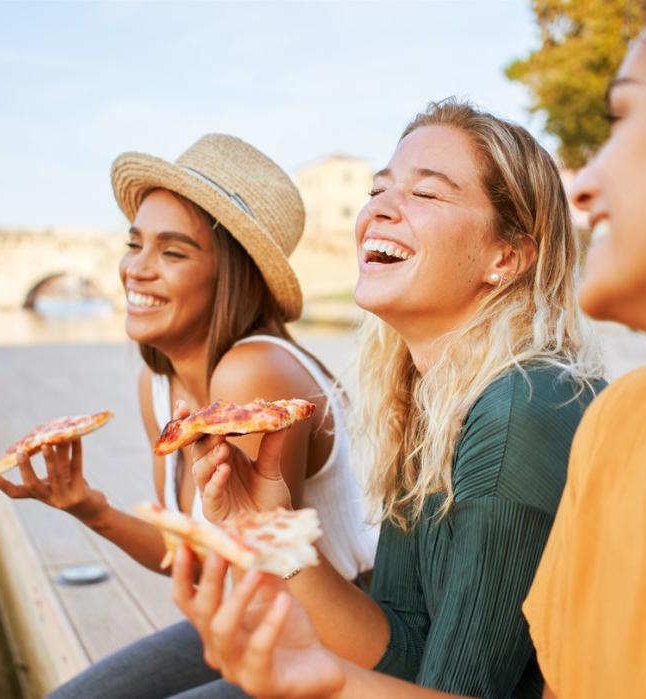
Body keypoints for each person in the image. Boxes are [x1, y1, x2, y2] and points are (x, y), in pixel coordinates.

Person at [188, 2, 646, 698]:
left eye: (621, 118)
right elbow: (417, 642)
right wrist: (284, 569)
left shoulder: (536, 407)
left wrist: (314, 679)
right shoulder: (619, 431)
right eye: (382, 187)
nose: (581, 186)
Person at [175, 98, 604, 698]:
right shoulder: (431, 399)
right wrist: (273, 529)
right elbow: (405, 648)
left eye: (425, 195)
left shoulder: (520, 410)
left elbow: (458, 690)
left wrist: (316, 682)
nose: (379, 209)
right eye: (379, 189)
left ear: (506, 256)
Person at [0, 133, 377, 698]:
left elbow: (258, 565)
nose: (136, 270)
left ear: (231, 277)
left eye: (172, 252)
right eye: (135, 244)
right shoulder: (159, 384)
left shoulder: (254, 374)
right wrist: (88, 508)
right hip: (251, 618)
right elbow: (193, 557)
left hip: (331, 639)